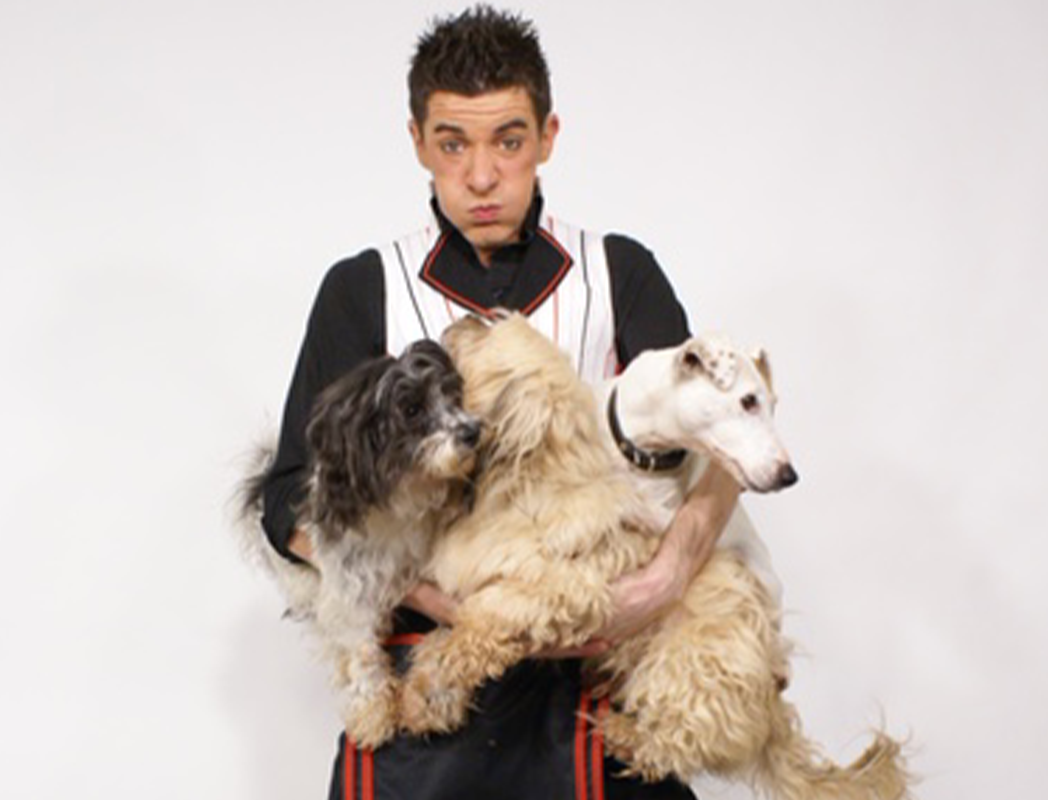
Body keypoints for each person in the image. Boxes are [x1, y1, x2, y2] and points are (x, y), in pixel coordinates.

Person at [256, 6, 742, 798]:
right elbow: (286, 504)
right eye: (453, 144)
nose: (481, 176)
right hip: (427, 703)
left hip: (598, 685)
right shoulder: (364, 288)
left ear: (548, 136)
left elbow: (718, 450)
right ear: (418, 142)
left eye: (508, 142)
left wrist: (666, 577)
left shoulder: (618, 274)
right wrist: (444, 601)